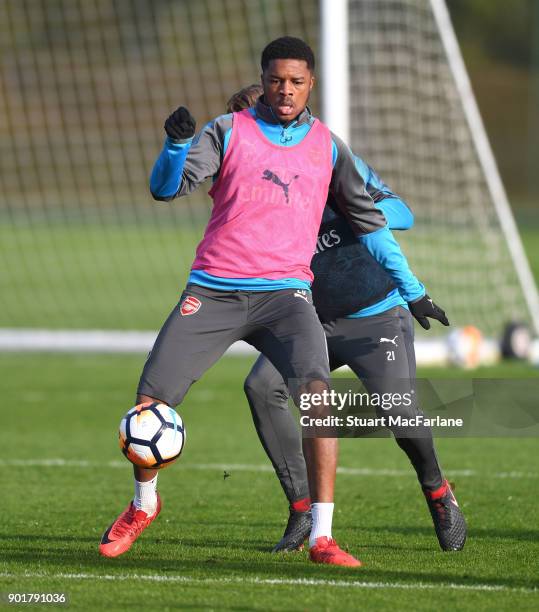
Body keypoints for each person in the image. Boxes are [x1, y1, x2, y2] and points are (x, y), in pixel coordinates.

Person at [99, 37, 447, 567]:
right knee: (149, 406)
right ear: (262, 79)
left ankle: (322, 538)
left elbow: (376, 222)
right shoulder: (227, 129)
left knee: (317, 400)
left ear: (311, 85)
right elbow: (166, 190)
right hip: (214, 289)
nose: (286, 90)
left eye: (297, 81)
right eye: (277, 79)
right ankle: (143, 504)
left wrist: (414, 291)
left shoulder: (328, 146)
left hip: (287, 296)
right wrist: (174, 146)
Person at [226, 85, 467, 554]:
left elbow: (403, 213)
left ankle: (438, 491)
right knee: (261, 387)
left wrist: (350, 211)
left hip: (375, 315)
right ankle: (302, 512)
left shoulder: (330, 160)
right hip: (308, 322)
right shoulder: (249, 190)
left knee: (399, 411)